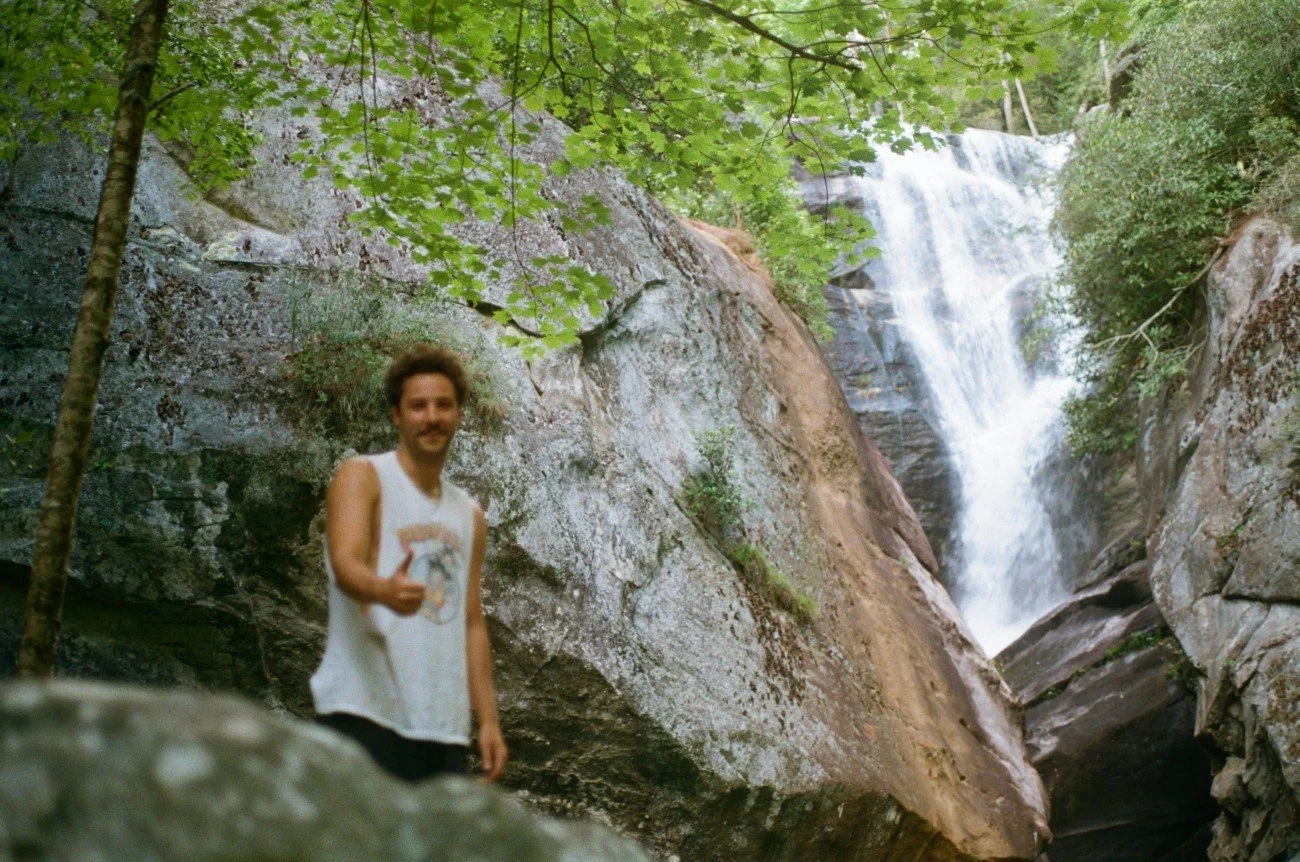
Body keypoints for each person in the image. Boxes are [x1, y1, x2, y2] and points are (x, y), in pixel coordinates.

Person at [310, 343, 508, 783]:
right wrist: (382, 589)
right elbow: (345, 563)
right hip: (364, 711)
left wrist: (488, 721)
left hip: (443, 729)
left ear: (459, 414)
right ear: (396, 415)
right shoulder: (363, 476)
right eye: (418, 406)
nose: (431, 417)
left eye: (443, 405)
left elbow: (472, 623)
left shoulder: (469, 514)